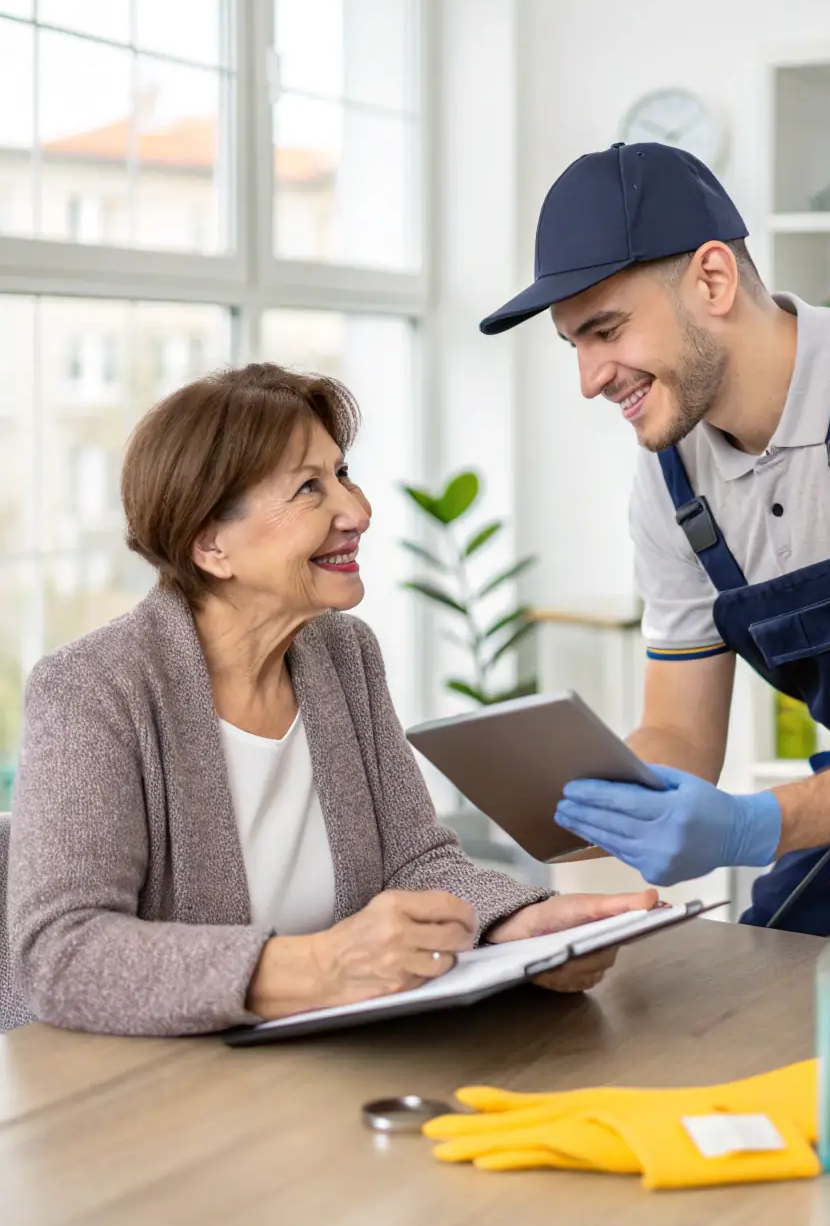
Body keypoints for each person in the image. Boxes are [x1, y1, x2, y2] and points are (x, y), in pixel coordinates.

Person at [480, 141, 830, 972]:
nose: (590, 379)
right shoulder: (671, 482)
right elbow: (678, 732)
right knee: (757, 992)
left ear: (713, 278)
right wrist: (607, 801)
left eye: (607, 329)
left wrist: (751, 825)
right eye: (574, 346)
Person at [7, 363, 655, 1036]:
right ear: (211, 544)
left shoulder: (343, 653)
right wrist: (319, 966)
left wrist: (522, 924)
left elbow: (415, 861)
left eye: (342, 474)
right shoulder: (93, 688)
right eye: (310, 488)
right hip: (145, 1094)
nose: (358, 511)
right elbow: (61, 951)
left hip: (325, 1059)